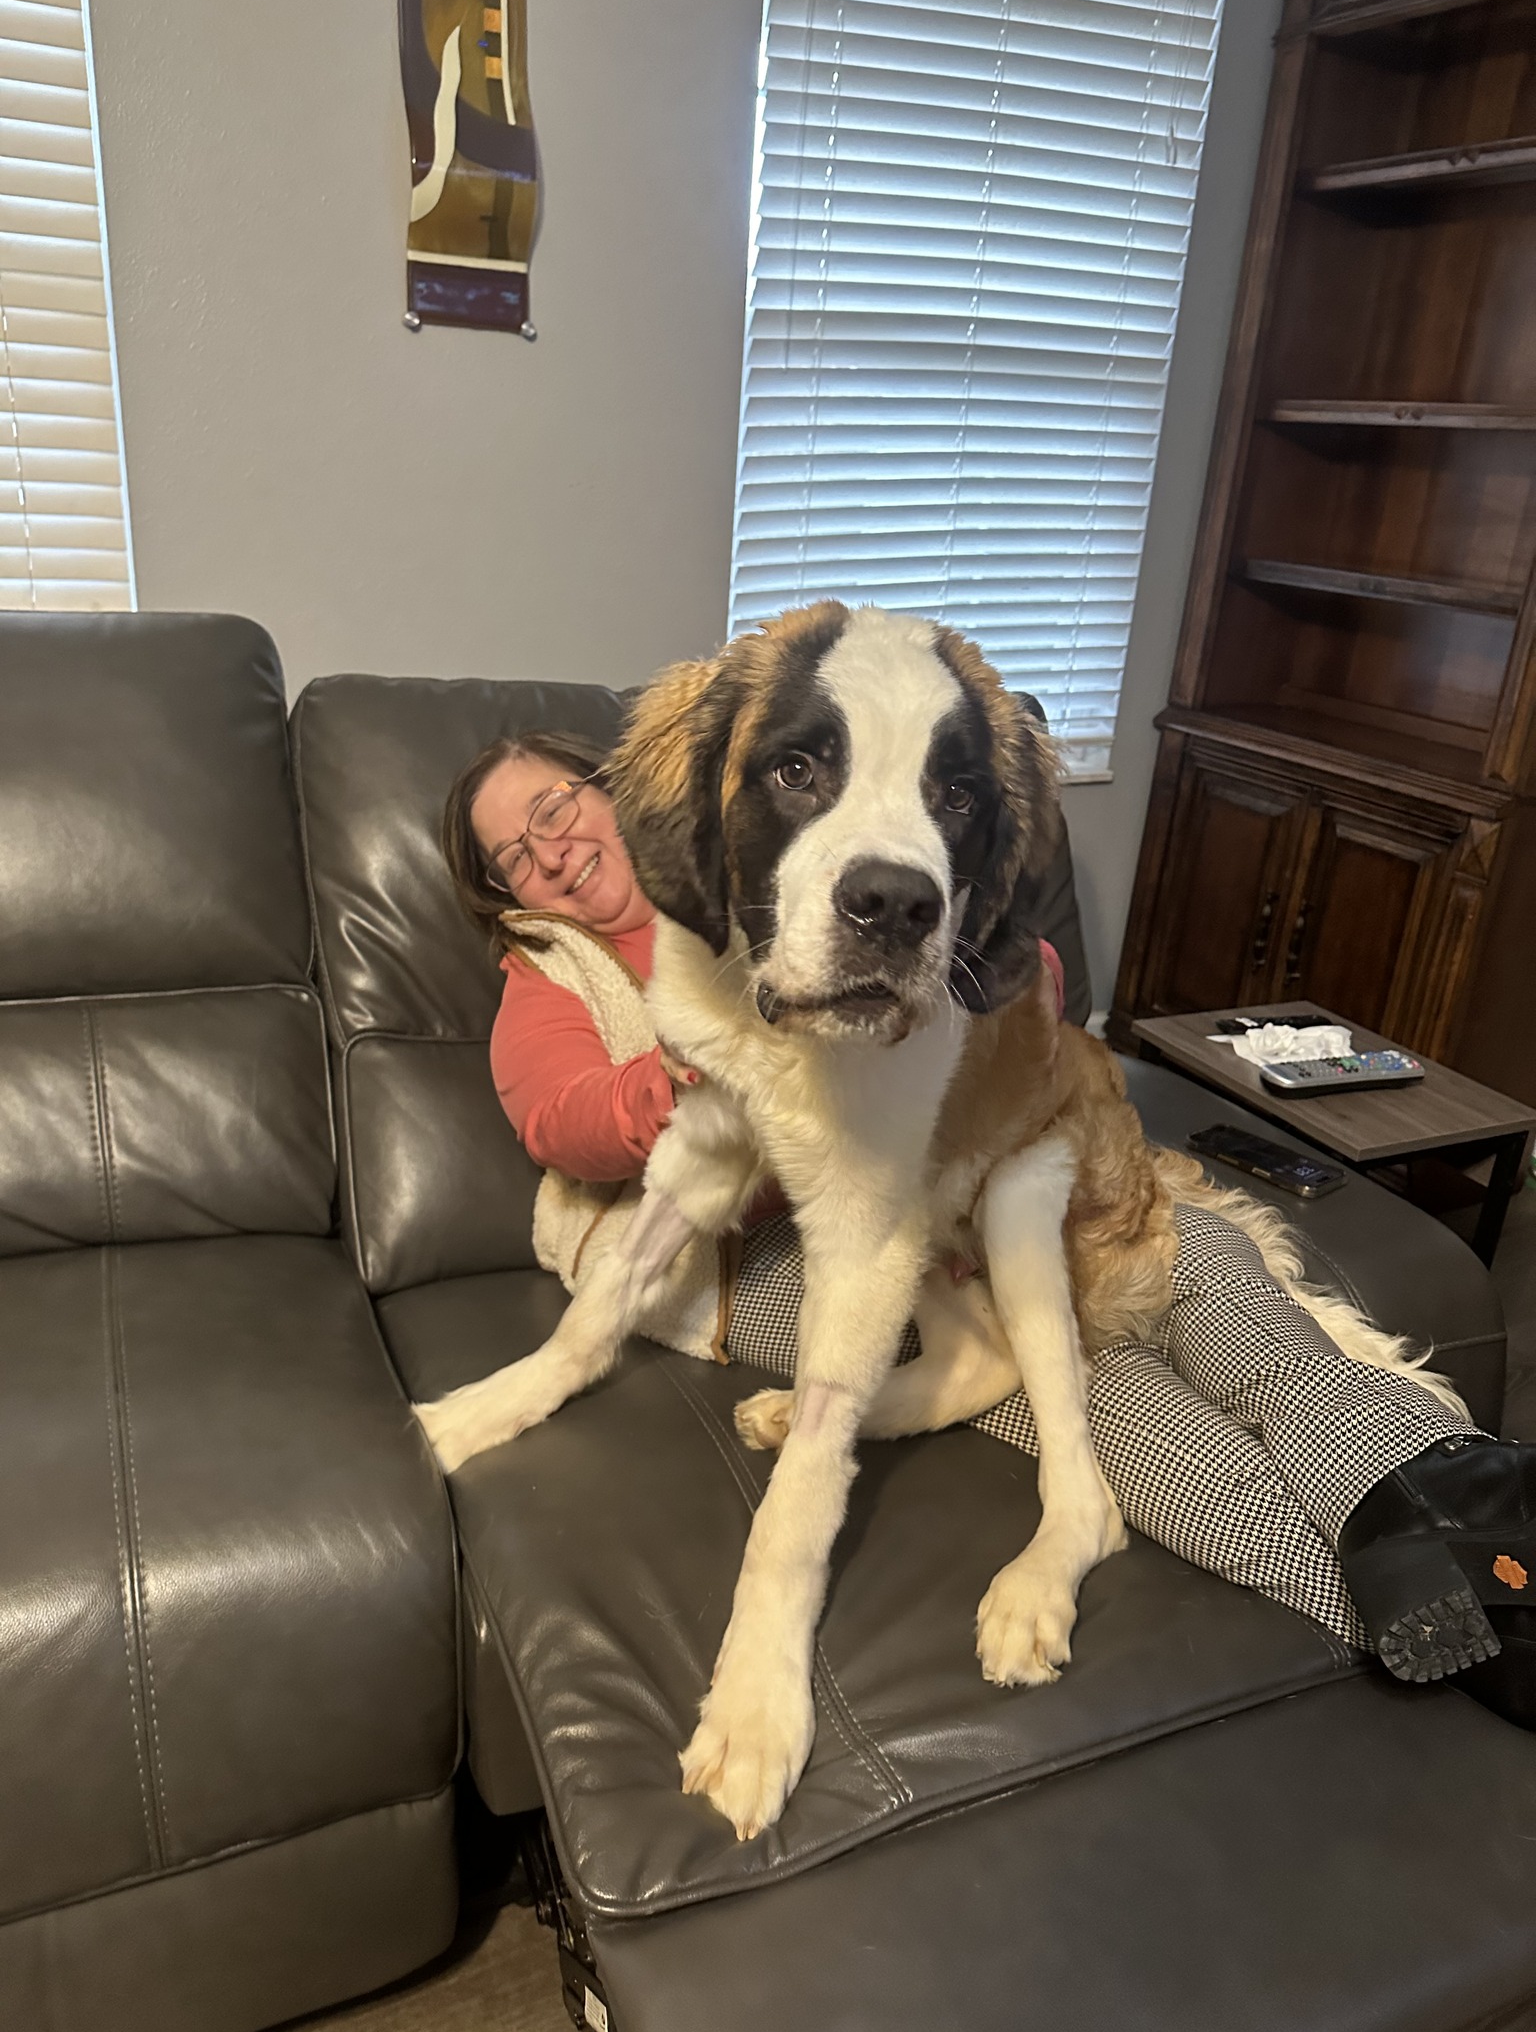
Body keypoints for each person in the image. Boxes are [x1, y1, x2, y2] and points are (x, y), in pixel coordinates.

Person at [441, 729, 1536, 1725]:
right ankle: (1430, 1621)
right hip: (763, 1251)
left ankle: (1476, 1526)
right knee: (1103, 1395)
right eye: (511, 859)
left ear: (606, 784)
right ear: (505, 898)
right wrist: (707, 1059)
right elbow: (566, 1121)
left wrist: (1003, 992)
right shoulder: (549, 977)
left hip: (966, 1162)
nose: (550, 852)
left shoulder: (770, 857)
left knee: (1193, 1255)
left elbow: (1021, 977)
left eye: (554, 808)